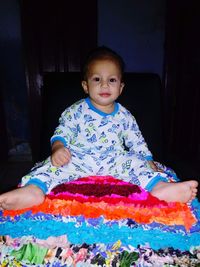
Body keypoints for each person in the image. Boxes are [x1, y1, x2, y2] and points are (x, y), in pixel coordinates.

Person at [0, 46, 198, 211]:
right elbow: (62, 132)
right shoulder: (76, 110)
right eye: (97, 79)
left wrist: (146, 160)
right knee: (49, 166)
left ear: (120, 87)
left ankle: (160, 187)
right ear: (86, 86)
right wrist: (58, 148)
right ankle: (33, 190)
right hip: (78, 158)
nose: (104, 84)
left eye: (112, 80)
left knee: (136, 163)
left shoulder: (125, 115)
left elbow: (136, 141)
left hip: (115, 159)